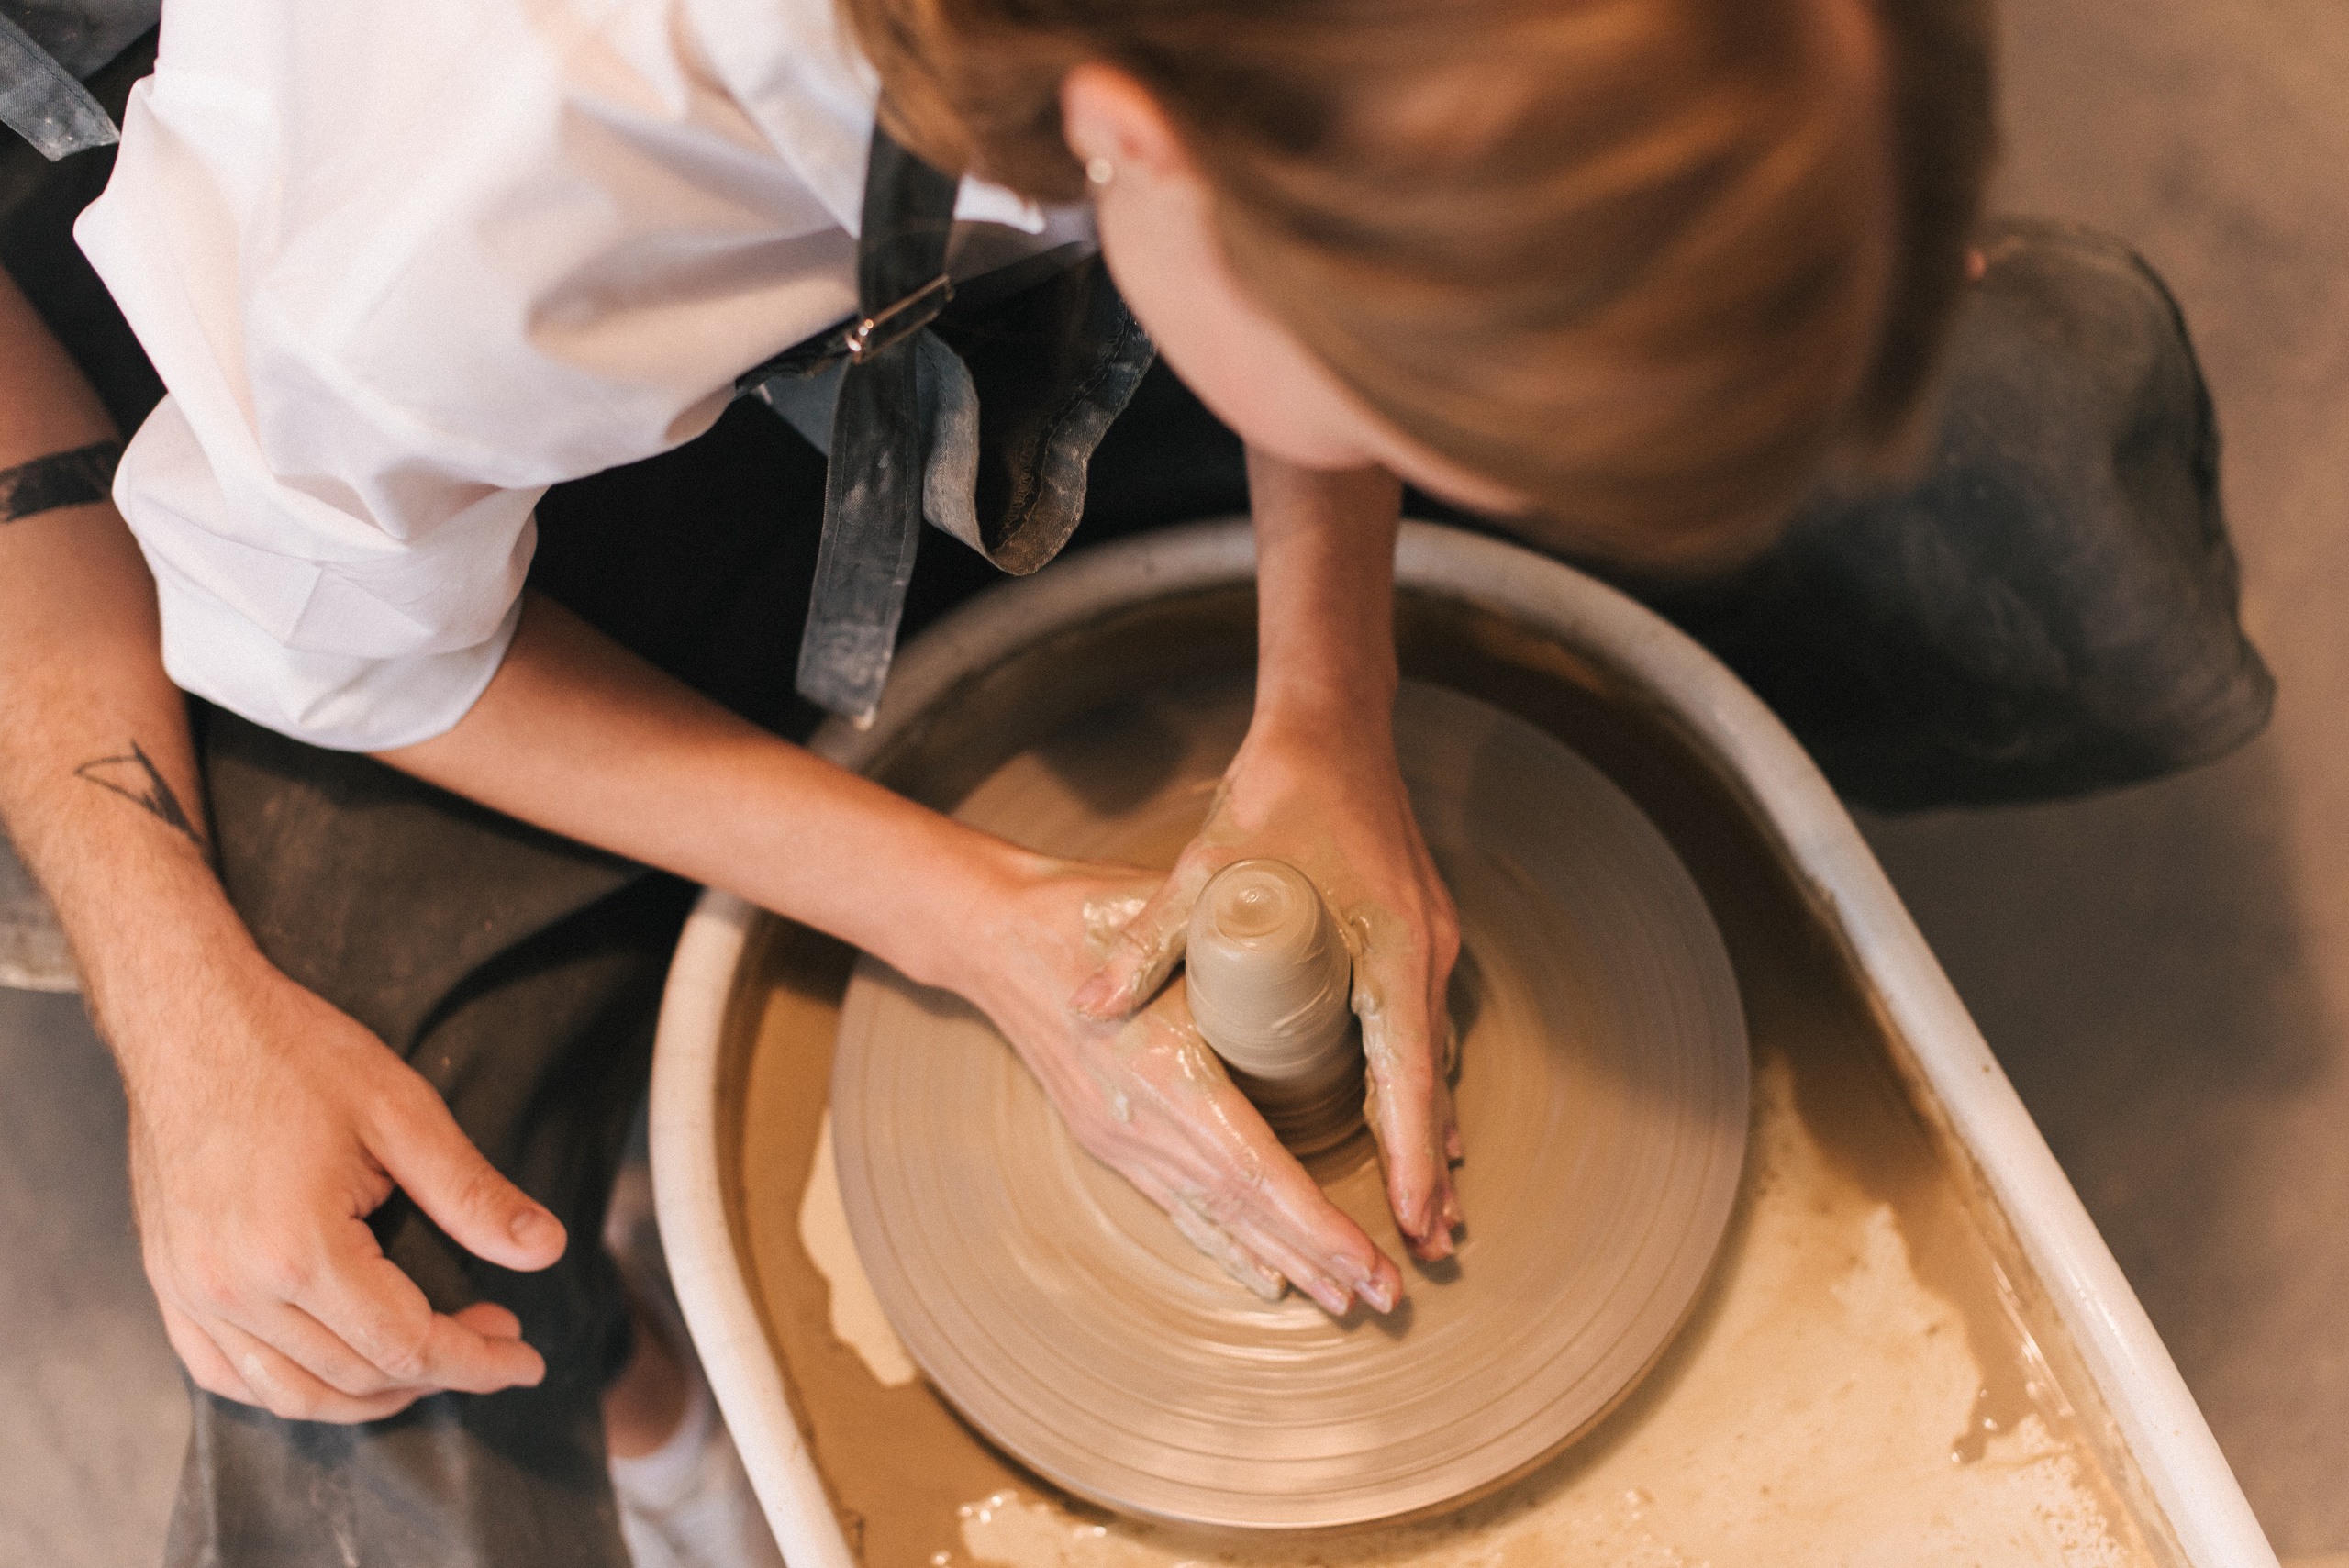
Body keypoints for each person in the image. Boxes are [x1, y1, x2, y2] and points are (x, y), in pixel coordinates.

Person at [33, 0, 2266, 1562]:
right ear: (1134, 134)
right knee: (375, 1350)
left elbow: (1345, 148)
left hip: (1020, 277)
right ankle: (655, 1388)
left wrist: (1328, 690)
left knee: (2037, 433)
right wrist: (961, 914)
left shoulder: (1239, 114)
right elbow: (327, 620)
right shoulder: (494, 163)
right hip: (443, 516)